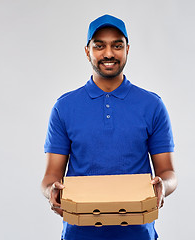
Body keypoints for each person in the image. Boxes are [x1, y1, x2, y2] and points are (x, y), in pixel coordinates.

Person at [41, 14, 177, 240]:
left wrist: (164, 186)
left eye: (117, 45)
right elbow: (51, 177)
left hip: (138, 233)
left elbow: (168, 172)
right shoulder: (64, 107)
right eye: (99, 46)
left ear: (127, 49)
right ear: (87, 51)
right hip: (79, 233)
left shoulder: (152, 105)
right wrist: (51, 192)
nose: (108, 53)